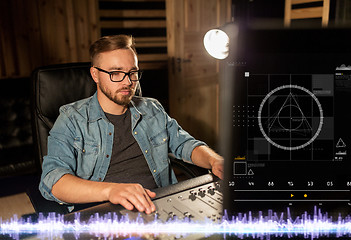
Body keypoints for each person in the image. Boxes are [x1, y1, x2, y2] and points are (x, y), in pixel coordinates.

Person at [39, 34, 224, 214]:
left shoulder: (152, 109)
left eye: (133, 72)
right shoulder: (71, 118)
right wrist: (111, 191)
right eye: (116, 73)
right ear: (95, 75)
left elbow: (185, 144)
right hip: (105, 214)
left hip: (160, 204)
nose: (128, 82)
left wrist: (214, 160)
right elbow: (53, 181)